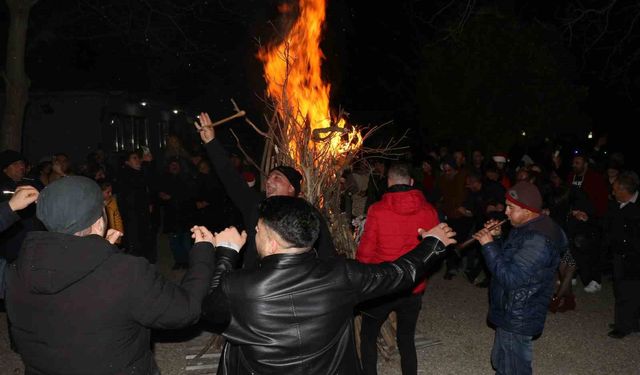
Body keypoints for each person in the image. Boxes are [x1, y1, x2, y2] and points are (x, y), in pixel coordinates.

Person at [200, 196, 456, 374]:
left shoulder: (237, 285)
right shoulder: (342, 274)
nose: (255, 234)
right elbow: (400, 273)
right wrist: (432, 243)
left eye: (258, 230)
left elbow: (208, 310)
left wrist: (226, 253)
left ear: (272, 243)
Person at [5, 176, 215, 374]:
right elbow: (185, 310)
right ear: (99, 223)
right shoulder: (127, 272)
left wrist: (99, 250)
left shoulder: (15, 270)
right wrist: (204, 251)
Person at [195, 112, 336, 268]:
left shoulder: (307, 213)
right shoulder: (256, 205)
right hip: (254, 280)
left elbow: (326, 253)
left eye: (277, 178)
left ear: (291, 188)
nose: (269, 181)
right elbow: (230, 177)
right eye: (269, 178)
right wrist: (211, 142)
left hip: (293, 283)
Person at [473, 181, 567, 375]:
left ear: (528, 210)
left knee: (515, 368)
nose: (505, 212)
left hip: (519, 313)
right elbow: (510, 260)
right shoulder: (528, 226)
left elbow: (510, 278)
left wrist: (488, 246)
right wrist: (498, 238)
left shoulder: (538, 240)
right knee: (501, 360)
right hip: (512, 308)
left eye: (511, 208)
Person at [356, 162, 440, 375]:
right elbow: (434, 251)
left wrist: (361, 278)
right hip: (413, 286)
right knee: (406, 338)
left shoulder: (377, 210)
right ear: (411, 182)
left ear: (389, 182)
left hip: (383, 287)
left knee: (367, 336)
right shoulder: (429, 211)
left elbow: (365, 252)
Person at [602, 172, 640, 339]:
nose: (612, 192)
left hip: (633, 257)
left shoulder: (635, 208)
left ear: (624, 190)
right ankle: (628, 322)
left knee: (628, 291)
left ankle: (623, 326)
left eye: (615, 189)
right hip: (620, 254)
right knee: (622, 290)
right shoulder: (617, 205)